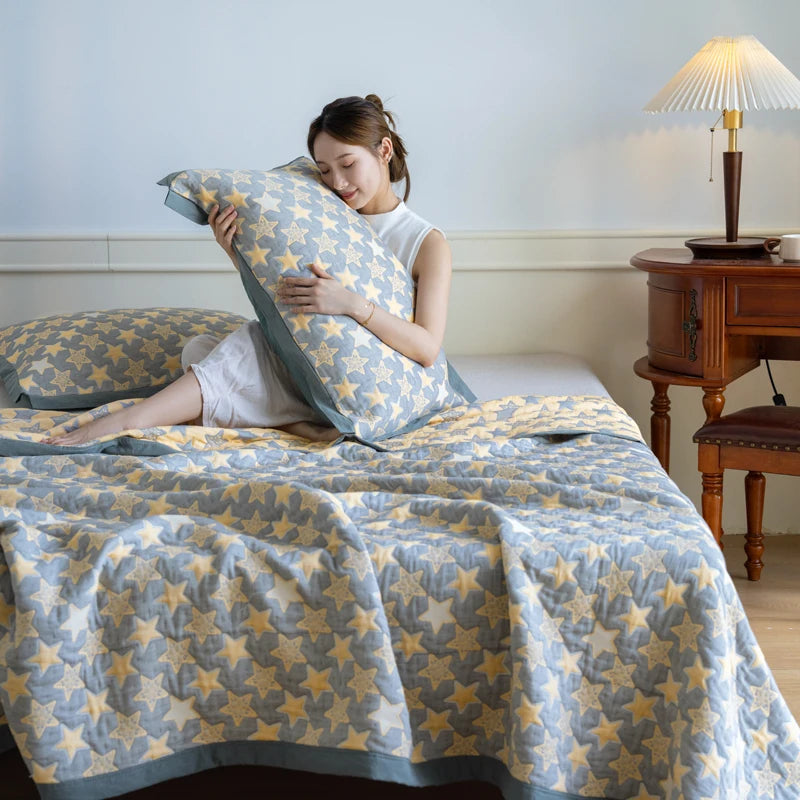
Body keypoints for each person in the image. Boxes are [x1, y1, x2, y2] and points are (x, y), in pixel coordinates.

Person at [45, 94, 452, 446]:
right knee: (202, 351)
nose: (338, 182)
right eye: (324, 170)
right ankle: (301, 425)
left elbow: (427, 348)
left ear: (383, 150)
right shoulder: (324, 215)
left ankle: (129, 420)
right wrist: (235, 250)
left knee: (244, 349)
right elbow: (289, 297)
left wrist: (350, 304)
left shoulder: (426, 243)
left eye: (347, 164)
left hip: (360, 383)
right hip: (305, 363)